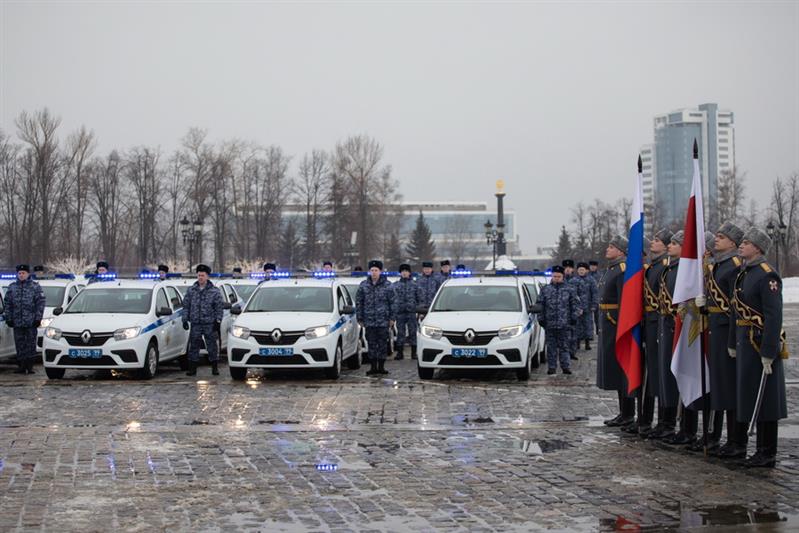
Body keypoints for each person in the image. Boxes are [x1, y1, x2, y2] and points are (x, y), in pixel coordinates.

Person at [728, 228, 787, 468]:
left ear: (759, 248)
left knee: (766, 398)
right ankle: (756, 449)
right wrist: (732, 342)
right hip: (744, 342)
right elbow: (735, 312)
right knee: (750, 395)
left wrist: (768, 351)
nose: (741, 246)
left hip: (759, 342)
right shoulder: (744, 273)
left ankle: (767, 451)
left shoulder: (766, 275)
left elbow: (773, 316)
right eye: (741, 242)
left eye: (747, 243)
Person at [702, 222, 746, 458]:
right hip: (715, 331)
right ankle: (729, 440)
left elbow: (736, 306)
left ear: (733, 242)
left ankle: (737, 440)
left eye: (721, 237)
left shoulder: (735, 266)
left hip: (728, 331)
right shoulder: (718, 265)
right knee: (721, 384)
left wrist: (733, 339)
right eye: (716, 236)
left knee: (731, 386)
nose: (716, 240)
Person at [597, 235, 635, 426]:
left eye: (612, 247)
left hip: (616, 325)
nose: (608, 249)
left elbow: (624, 302)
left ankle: (628, 413)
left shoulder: (621, 270)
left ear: (621, 251)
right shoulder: (611, 269)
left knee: (622, 371)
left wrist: (620, 325)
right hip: (608, 325)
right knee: (615, 370)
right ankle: (623, 412)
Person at [639, 228, 672, 438]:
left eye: (657, 240)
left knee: (662, 373)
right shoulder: (653, 267)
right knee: (653, 371)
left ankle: (665, 421)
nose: (652, 243)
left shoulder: (665, 267)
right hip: (651, 322)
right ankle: (655, 420)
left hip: (661, 321)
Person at [182, 264, 224, 377]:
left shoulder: (214, 291)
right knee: (194, 346)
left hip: (209, 323)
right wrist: (185, 319)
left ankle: (214, 367)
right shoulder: (191, 290)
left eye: (203, 275)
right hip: (195, 323)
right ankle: (192, 369)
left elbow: (219, 307)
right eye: (199, 275)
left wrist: (218, 321)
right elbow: (186, 306)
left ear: (207, 277)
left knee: (212, 346)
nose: (200, 277)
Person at [3, 264, 46, 375]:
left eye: (24, 273)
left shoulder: (35, 287)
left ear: (28, 274)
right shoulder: (12, 287)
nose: (21, 275)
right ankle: (21, 366)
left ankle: (29, 366)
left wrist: (38, 318)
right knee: (19, 344)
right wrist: (9, 318)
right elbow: (7, 303)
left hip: (31, 321)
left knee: (30, 344)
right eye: (20, 273)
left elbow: (40, 304)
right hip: (17, 321)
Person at [356, 260, 396, 376]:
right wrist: (360, 318)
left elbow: (393, 303)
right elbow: (359, 302)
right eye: (372, 270)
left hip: (383, 320)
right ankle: (373, 367)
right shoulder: (364, 285)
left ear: (380, 271)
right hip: (369, 320)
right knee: (371, 343)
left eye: (376, 270)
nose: (374, 273)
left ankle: (381, 367)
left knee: (383, 343)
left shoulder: (388, 285)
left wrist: (392, 318)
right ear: (369, 271)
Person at [538, 265, 578, 375]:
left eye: (559, 276)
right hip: (549, 324)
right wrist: (541, 319)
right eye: (555, 276)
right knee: (551, 347)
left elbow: (574, 305)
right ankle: (552, 367)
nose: (556, 278)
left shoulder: (569, 289)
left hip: (564, 324)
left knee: (564, 346)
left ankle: (566, 367)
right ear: (552, 276)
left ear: (563, 276)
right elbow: (540, 305)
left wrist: (574, 318)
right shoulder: (545, 289)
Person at [392, 263, 420, 360]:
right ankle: (400, 353)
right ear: (400, 273)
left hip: (411, 312)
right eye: (403, 271)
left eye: (406, 271)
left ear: (409, 273)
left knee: (413, 332)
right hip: (400, 313)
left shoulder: (415, 285)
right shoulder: (395, 285)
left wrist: (418, 311)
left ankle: (413, 353)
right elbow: (392, 299)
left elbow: (419, 299)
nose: (404, 273)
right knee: (401, 333)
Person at [562, 259, 583, 360]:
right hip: (561, 310)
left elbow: (582, 295)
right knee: (563, 334)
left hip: (573, 310)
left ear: (573, 269)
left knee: (573, 333)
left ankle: (572, 352)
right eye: (565, 268)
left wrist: (580, 308)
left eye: (569, 268)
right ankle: (563, 353)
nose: (567, 270)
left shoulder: (577, 281)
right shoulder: (559, 279)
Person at [575, 262, 598, 351]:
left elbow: (595, 293)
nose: (581, 271)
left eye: (583, 270)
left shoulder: (591, 280)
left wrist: (594, 305)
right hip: (577, 307)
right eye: (579, 270)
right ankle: (577, 343)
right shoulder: (574, 280)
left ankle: (587, 343)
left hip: (588, 307)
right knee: (577, 325)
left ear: (586, 271)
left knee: (588, 325)